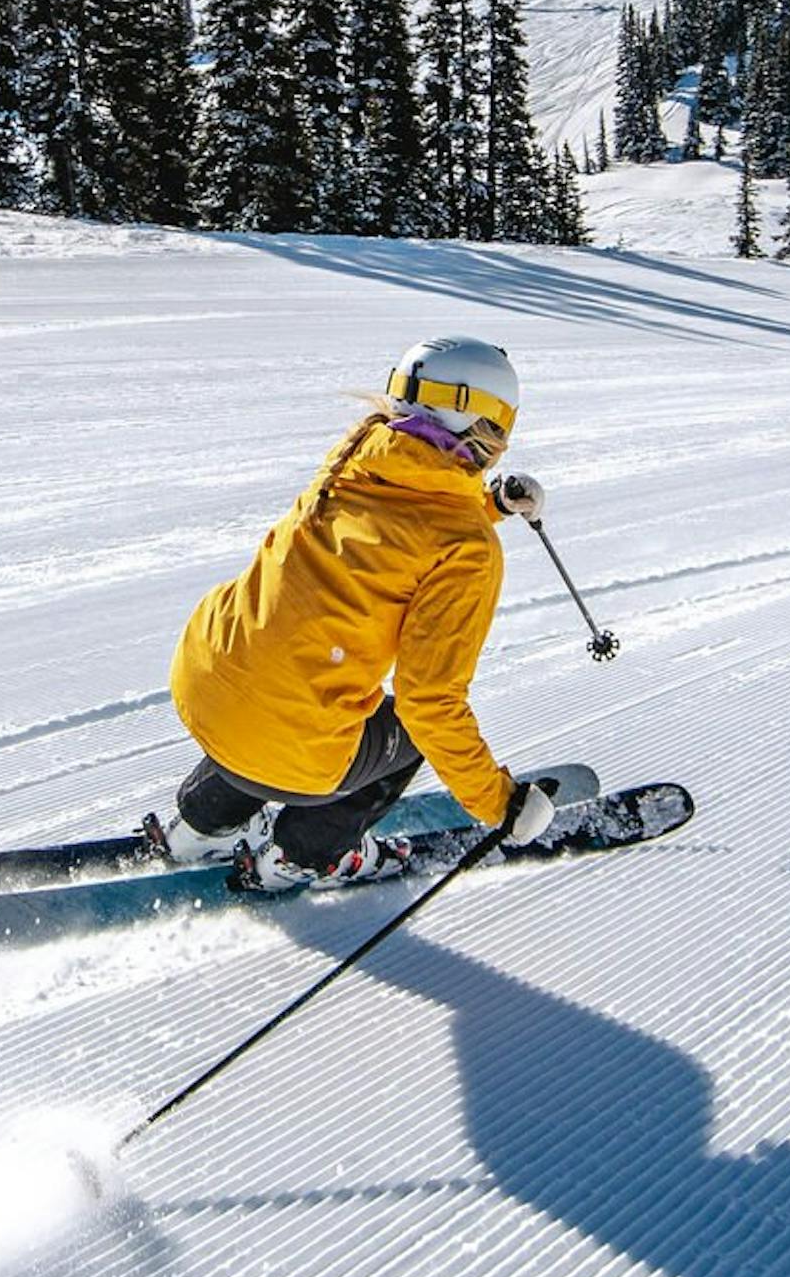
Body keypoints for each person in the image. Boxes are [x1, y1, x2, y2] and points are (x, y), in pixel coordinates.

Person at [149, 337, 568, 892]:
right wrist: (499, 804)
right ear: (491, 423)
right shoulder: (466, 550)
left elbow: (394, 532)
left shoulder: (357, 454)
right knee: (406, 733)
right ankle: (304, 856)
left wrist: (488, 505)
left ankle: (200, 826)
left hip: (207, 684)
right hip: (292, 746)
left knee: (284, 681)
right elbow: (430, 705)